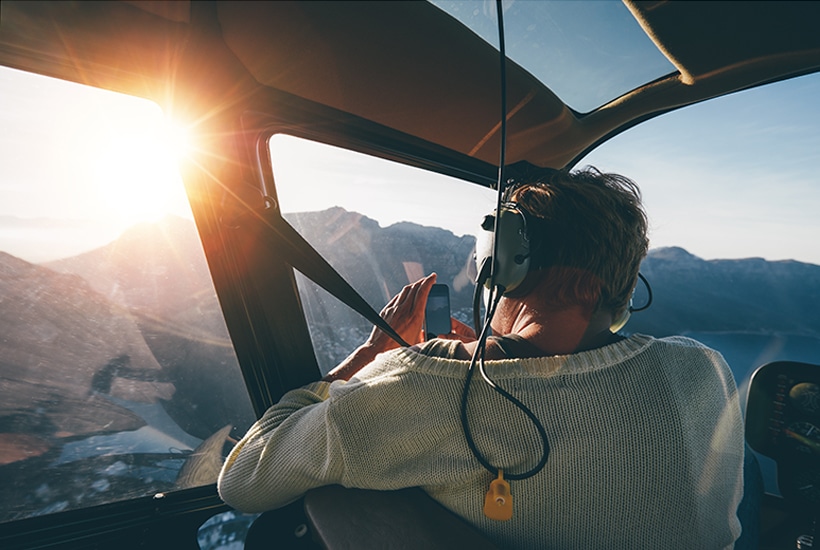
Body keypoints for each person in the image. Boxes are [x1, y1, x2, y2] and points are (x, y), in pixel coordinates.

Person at [218, 167, 744, 549]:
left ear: (504, 262)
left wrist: (370, 354)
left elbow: (244, 479)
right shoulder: (702, 367)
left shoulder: (428, 384)